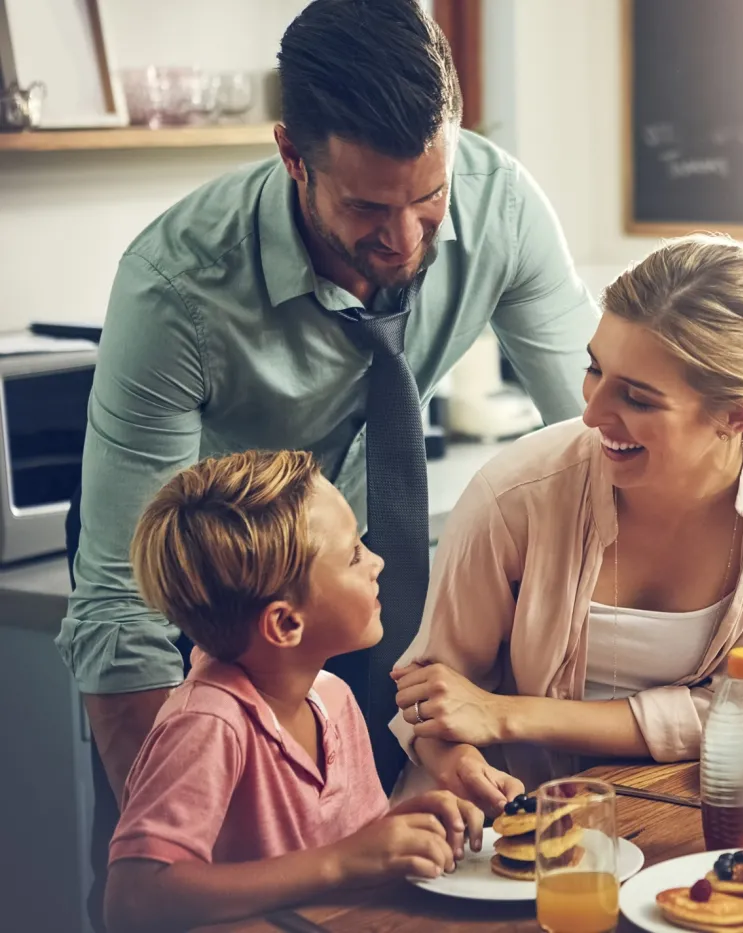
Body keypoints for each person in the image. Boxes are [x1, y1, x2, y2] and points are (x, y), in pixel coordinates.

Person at [56, 1, 593, 929]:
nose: (408, 243)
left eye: (430, 199)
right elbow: (118, 603)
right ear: (292, 157)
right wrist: (219, 890)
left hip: (335, 563)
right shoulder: (176, 285)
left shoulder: (502, 207)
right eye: (369, 211)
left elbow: (602, 441)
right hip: (201, 585)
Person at [386, 234, 743, 793]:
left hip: (677, 802)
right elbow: (433, 695)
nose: (591, 413)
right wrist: (457, 757)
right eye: (594, 369)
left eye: (637, 398)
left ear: (734, 415)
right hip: (500, 811)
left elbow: (742, 709)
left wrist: (506, 713)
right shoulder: (518, 492)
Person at [104, 450, 522, 933]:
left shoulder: (333, 699)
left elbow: (355, 853)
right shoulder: (208, 724)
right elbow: (133, 901)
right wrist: (340, 862)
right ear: (285, 623)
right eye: (354, 555)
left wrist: (403, 829)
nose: (378, 562)